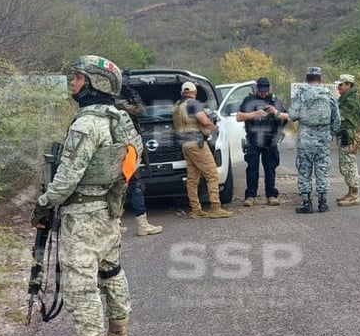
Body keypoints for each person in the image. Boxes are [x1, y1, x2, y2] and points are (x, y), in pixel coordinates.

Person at [31, 55, 141, 336]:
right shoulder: (120, 119)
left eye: (78, 78)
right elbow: (133, 161)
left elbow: (66, 179)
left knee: (81, 288)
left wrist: (44, 204)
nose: (73, 83)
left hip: (81, 218)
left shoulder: (86, 124)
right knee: (111, 272)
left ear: (96, 83)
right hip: (108, 211)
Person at [173, 81, 233, 218]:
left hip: (185, 145)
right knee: (212, 174)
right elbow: (204, 121)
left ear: (182, 93)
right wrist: (215, 127)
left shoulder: (177, 107)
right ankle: (215, 207)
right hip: (197, 144)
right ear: (194, 93)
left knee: (192, 179)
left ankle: (196, 210)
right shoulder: (194, 104)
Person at [289, 66, 340, 214]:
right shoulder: (328, 94)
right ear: (320, 79)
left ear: (307, 79)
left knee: (304, 170)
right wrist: (330, 134)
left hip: (305, 139)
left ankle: (307, 203)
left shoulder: (301, 93)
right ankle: (323, 203)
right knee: (322, 170)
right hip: (323, 139)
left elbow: (292, 115)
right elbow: (336, 119)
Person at [114, 84, 162, 236]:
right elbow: (141, 111)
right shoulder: (119, 104)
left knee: (118, 188)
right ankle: (142, 224)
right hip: (126, 150)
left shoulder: (106, 104)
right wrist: (134, 96)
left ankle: (115, 223)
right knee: (136, 186)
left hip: (115, 151)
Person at [235, 77, 289, 207]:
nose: (263, 93)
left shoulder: (274, 101)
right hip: (253, 139)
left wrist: (276, 112)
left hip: (270, 140)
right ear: (257, 88)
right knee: (252, 169)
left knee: (270, 168)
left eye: (265, 91)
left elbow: (288, 116)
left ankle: (271, 195)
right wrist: (254, 114)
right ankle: (250, 196)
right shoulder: (249, 100)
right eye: (261, 91)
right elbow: (239, 117)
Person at [335, 73, 360, 207]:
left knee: (349, 164)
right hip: (344, 133)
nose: (338, 87)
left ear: (348, 85)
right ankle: (350, 192)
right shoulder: (347, 97)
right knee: (345, 164)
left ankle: (354, 195)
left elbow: (342, 116)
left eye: (341, 85)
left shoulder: (352, 98)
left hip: (347, 134)